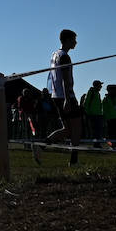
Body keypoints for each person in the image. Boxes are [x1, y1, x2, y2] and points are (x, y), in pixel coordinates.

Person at [45, 29, 80, 164]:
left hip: (56, 95)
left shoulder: (54, 54)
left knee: (67, 129)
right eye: (73, 39)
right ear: (66, 40)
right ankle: (74, 160)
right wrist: (67, 99)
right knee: (76, 128)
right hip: (66, 96)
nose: (75, 42)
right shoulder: (64, 56)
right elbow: (65, 79)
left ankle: (43, 144)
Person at [79, 80, 105, 145]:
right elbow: (86, 103)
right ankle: (96, 144)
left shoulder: (97, 93)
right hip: (92, 114)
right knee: (95, 130)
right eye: (100, 85)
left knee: (98, 130)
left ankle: (97, 143)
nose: (101, 86)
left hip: (98, 114)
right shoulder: (91, 92)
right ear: (96, 85)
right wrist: (88, 112)